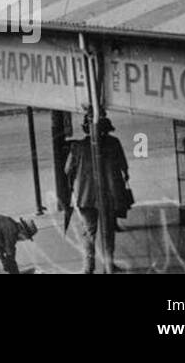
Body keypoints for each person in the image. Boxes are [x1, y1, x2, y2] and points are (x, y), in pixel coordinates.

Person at [65, 112, 132, 273]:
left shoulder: (77, 147)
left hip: (85, 197)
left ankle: (88, 267)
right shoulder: (114, 143)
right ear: (106, 130)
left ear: (86, 130)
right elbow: (124, 168)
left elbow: (68, 170)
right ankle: (109, 267)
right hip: (109, 196)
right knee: (108, 231)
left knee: (88, 233)